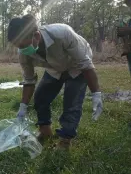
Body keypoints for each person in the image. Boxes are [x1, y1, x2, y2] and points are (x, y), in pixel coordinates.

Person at [7, 14, 103, 149]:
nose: (22, 50)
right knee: (40, 97)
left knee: (72, 102)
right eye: (18, 46)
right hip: (55, 68)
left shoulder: (62, 34)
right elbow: (29, 80)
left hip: (77, 66)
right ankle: (45, 130)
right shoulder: (23, 53)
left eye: (23, 45)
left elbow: (86, 65)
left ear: (36, 36)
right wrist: (23, 107)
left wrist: (96, 94)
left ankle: (65, 138)